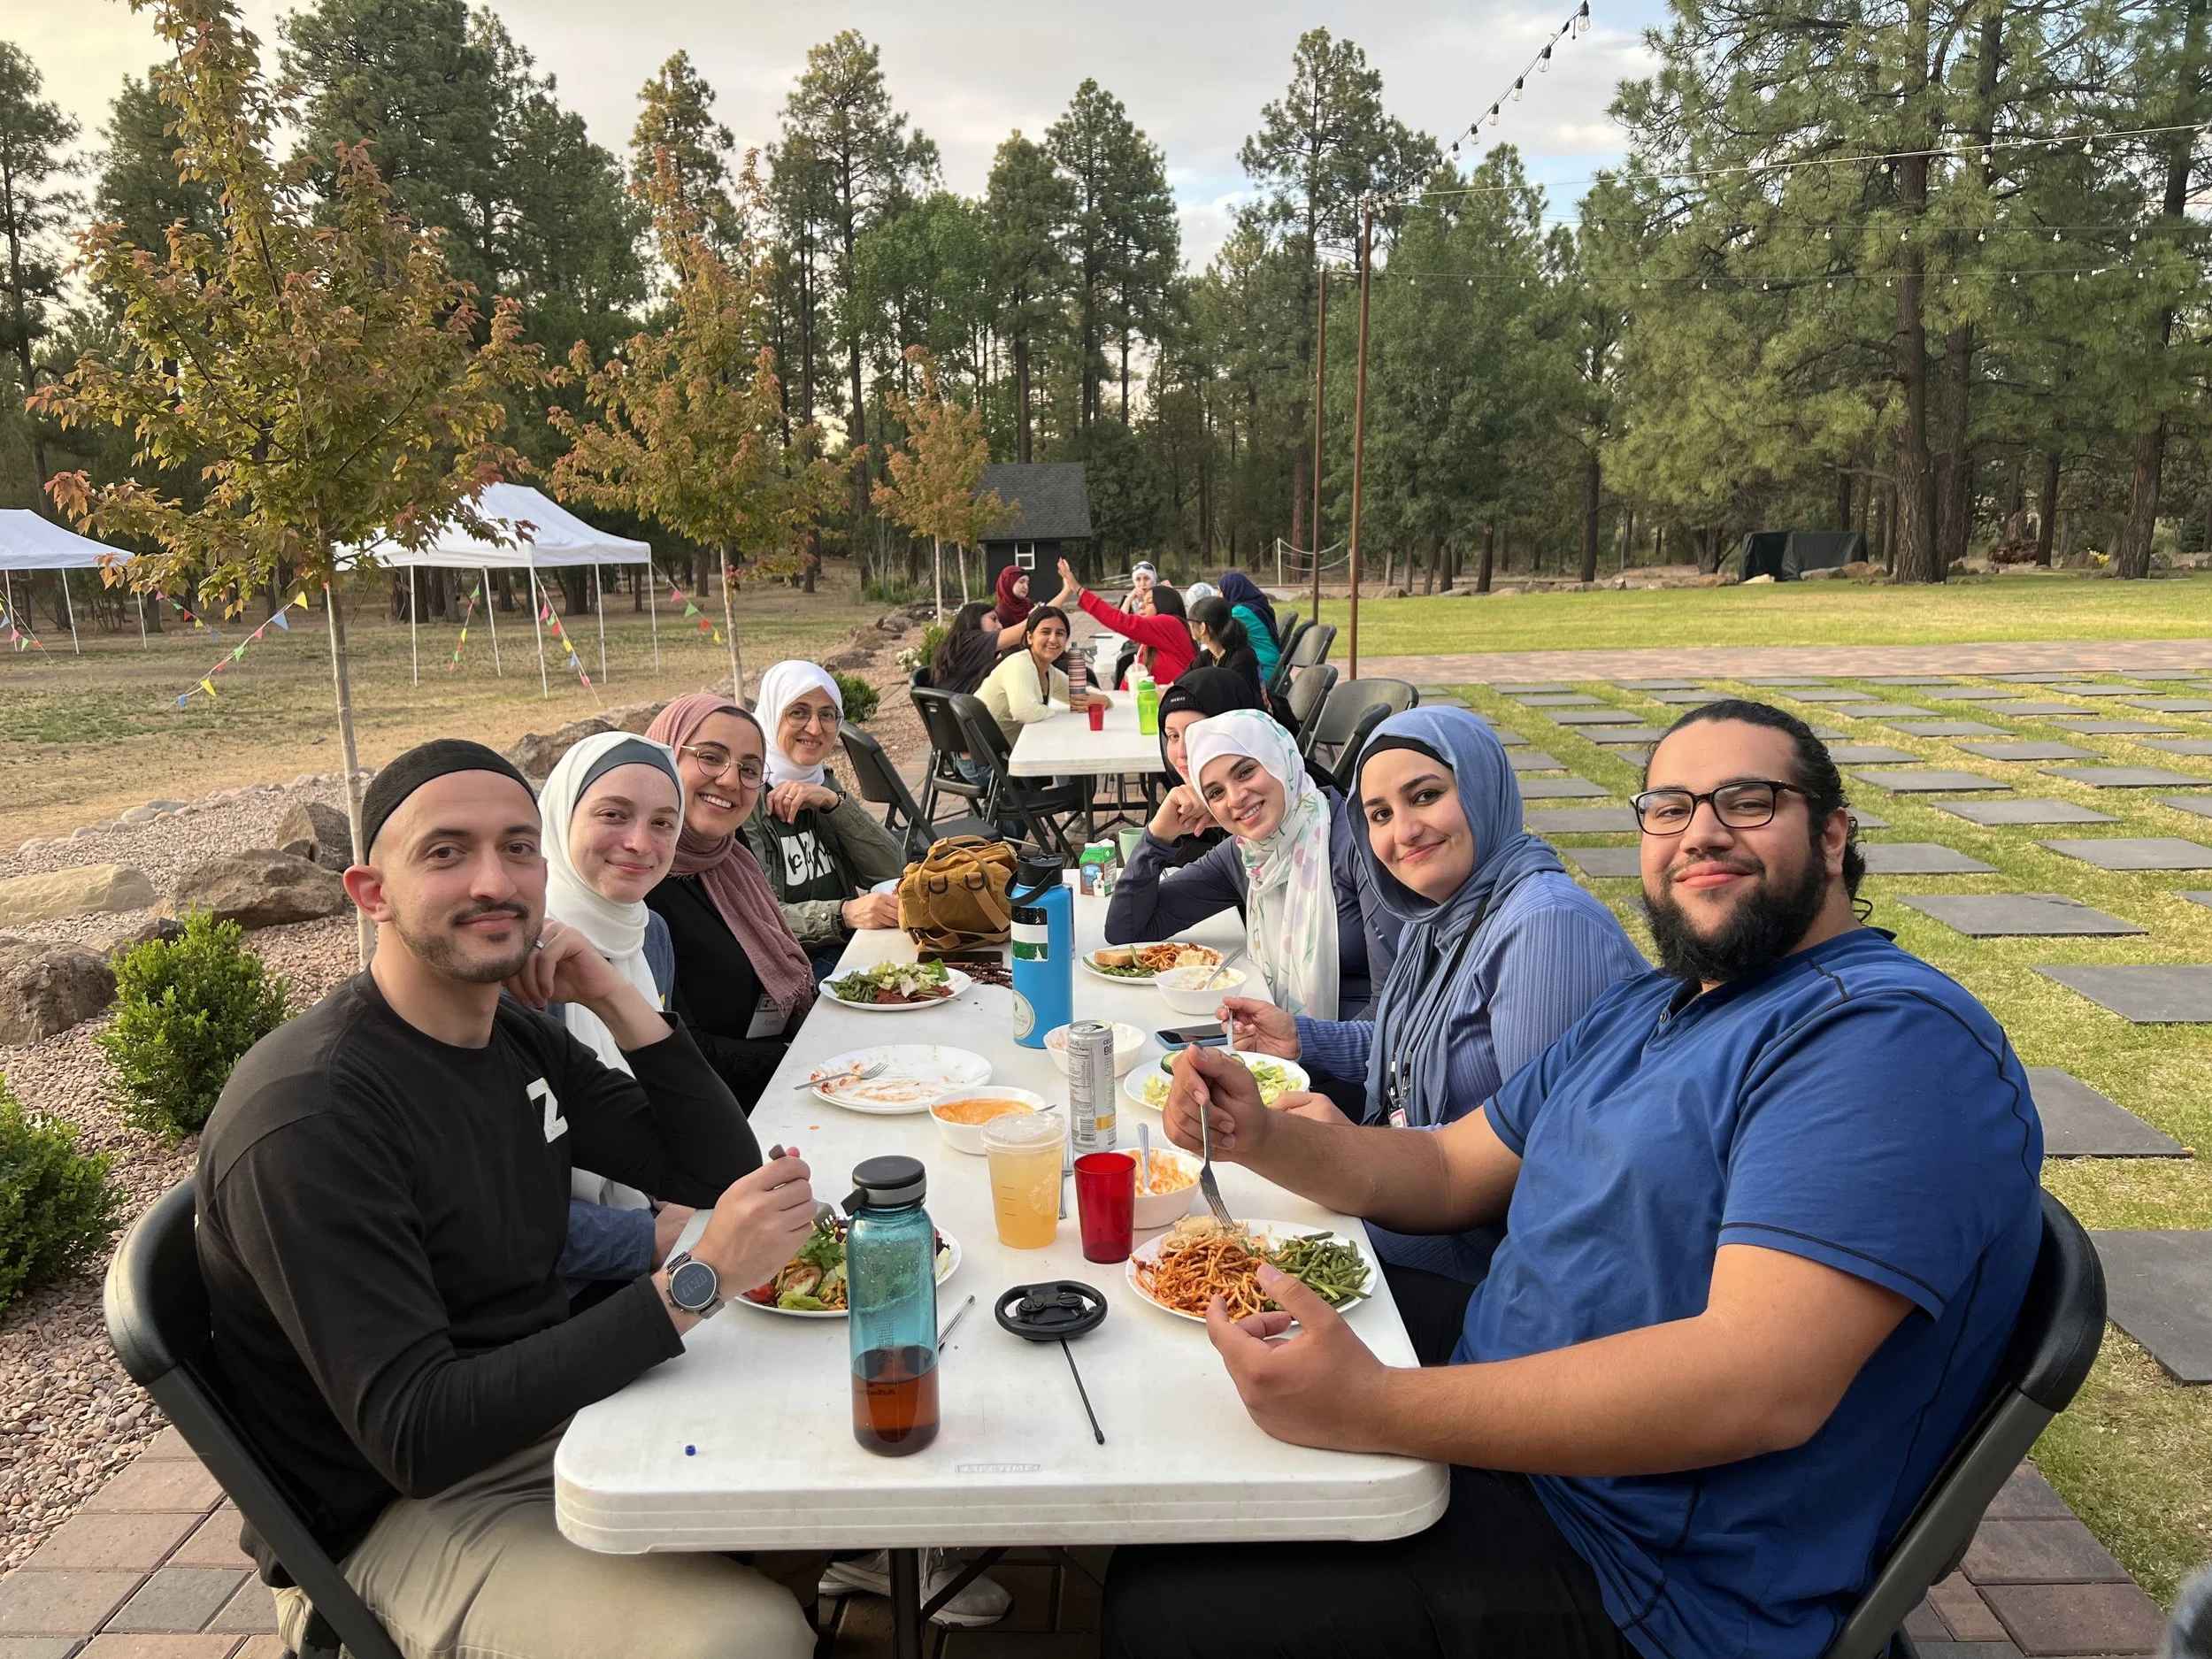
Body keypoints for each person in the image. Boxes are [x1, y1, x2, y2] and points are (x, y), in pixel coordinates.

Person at [1103, 699, 2045, 1659]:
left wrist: (1372, 1404)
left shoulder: (1884, 1043)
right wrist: (1257, 1134)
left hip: (1647, 1569)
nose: (1702, 834)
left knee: (1173, 1606)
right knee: (1183, 1408)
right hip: (1515, 1415)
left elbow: (1755, 1385)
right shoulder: (1656, 1003)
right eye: (1669, 809)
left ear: (1834, 834)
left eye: (1748, 802)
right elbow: (1445, 1165)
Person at [196, 739, 826, 1659]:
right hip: (400, 1508)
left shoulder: (513, 1036)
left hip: (546, 1412)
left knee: (832, 1427)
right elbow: (415, 1432)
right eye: (445, 852)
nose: (494, 880)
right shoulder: (313, 1114)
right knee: (742, 1640)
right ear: (372, 892)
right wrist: (694, 1284)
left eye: (518, 847)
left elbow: (712, 1175)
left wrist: (613, 995)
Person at [1217, 707, 1645, 1280]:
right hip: (1424, 1206)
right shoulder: (1444, 913)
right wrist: (1302, 1037)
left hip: (1493, 1265)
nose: (1403, 830)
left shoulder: (1546, 928)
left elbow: (1535, 1161)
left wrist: (1354, 1146)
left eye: (1425, 795)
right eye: (1380, 814)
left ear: (1481, 784)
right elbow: (1423, 1042)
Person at [537, 732, 702, 1300]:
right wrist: (651, 1235)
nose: (640, 842)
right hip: (553, 1291)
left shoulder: (649, 934)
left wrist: (682, 1191)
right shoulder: (519, 964)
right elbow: (486, 1208)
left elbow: (661, 1085)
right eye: (613, 814)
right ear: (560, 817)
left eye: (663, 823)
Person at [1108, 708, 1391, 1020]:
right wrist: (1158, 836)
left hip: (1357, 1052)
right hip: (1280, 1040)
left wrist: (1301, 1049)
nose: (1235, 798)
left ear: (1281, 759)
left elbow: (1395, 1009)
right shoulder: (1246, 854)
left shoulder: (1358, 843)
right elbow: (1129, 930)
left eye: (1245, 772)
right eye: (1215, 792)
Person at [645, 695, 818, 1110]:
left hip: (778, 1084)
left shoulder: (729, 855)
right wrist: (807, 1056)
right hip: (721, 1115)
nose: (729, 780)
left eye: (749, 770)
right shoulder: (641, 882)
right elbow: (683, 1049)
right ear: (665, 760)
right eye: (710, 757)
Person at [742, 662, 905, 978]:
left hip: (846, 947)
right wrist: (844, 914)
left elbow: (891, 868)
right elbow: (759, 917)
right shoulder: (747, 796)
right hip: (791, 967)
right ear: (772, 714)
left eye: (827, 714)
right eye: (799, 712)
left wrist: (834, 803)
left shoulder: (822, 782)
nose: (815, 729)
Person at [1147, 667, 1266, 870]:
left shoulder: (1279, 793)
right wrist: (1161, 834)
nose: (1182, 752)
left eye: (1197, 734)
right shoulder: (1190, 800)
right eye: (1173, 736)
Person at [975, 604, 1110, 745]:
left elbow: (1080, 693)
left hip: (1011, 752)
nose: (1053, 639)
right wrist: (1053, 713)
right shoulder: (1019, 664)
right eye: (1045, 632)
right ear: (1030, 637)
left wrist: (1103, 700)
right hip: (985, 762)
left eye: (1060, 633)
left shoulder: (1049, 672)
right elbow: (1025, 712)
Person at [1053, 557, 1195, 687]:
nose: (1141, 605)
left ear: (1164, 604)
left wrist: (1079, 590)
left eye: (1150, 602)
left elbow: (1121, 621)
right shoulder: (1154, 638)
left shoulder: (1170, 624)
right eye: (1142, 601)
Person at [1187, 595, 1268, 710]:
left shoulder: (1243, 658)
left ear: (1203, 628)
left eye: (1190, 623)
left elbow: (1234, 702)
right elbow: (1182, 681)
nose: (1189, 627)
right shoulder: (1209, 656)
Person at [1217, 571, 1282, 687]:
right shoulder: (1255, 606)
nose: (1218, 595)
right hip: (1272, 664)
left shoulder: (1240, 613)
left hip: (1263, 669)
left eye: (1221, 591)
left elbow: (1218, 635)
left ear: (1232, 590)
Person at [929, 600, 1001, 695]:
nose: (1000, 626)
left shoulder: (959, 644)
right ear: (974, 620)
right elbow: (1018, 632)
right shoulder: (970, 643)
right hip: (962, 706)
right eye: (993, 619)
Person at [990, 564, 1033, 653]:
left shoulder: (1028, 604)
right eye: (1021, 582)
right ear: (1008, 582)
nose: (1026, 587)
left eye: (1027, 583)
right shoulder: (1001, 612)